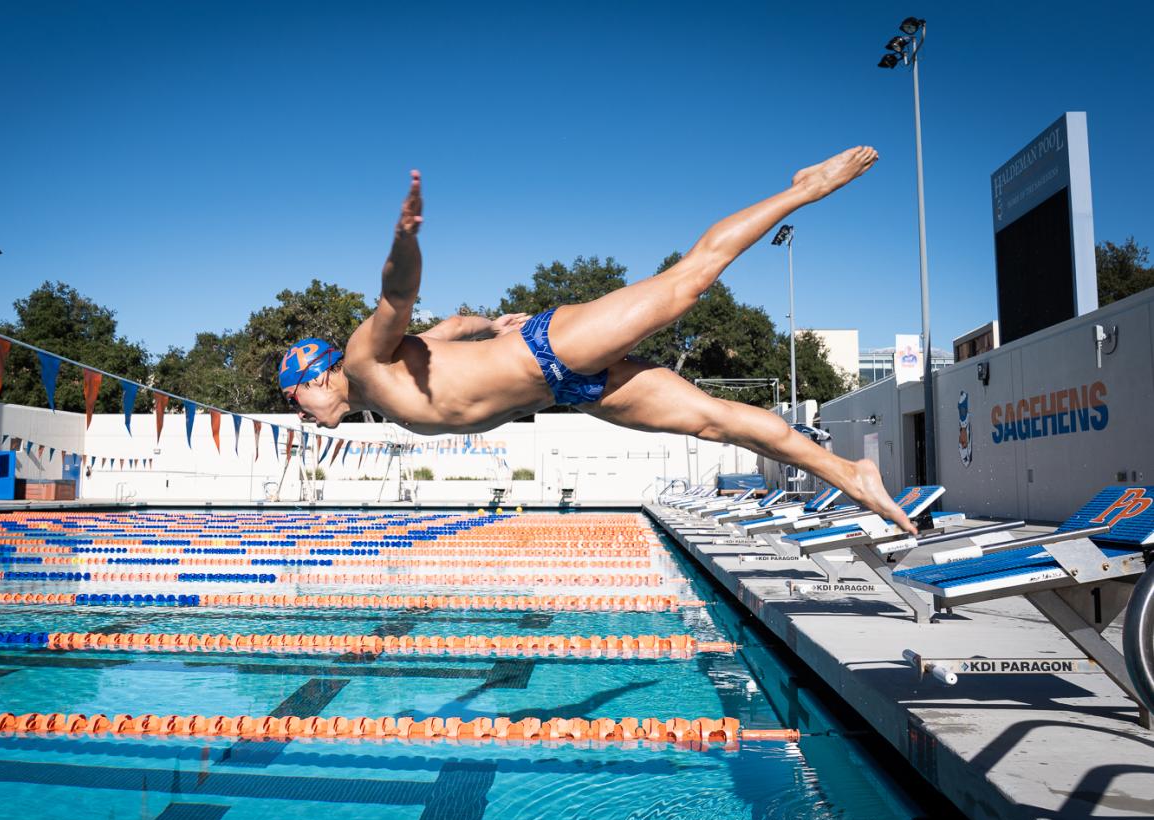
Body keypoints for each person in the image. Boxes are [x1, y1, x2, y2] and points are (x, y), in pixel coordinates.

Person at [279, 147, 916, 532]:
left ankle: (806, 187)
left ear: (316, 374)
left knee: (685, 285)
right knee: (716, 424)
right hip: (573, 390)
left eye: (292, 398)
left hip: (551, 349)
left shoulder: (363, 360)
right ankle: (851, 474)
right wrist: (488, 324)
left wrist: (404, 239)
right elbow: (448, 329)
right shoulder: (384, 394)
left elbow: (396, 298)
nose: (298, 413)